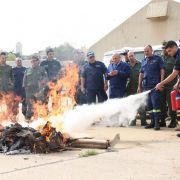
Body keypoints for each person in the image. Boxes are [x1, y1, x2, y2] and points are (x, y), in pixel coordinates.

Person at [137, 45, 165, 130]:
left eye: (147, 51)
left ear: (152, 50)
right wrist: (139, 86)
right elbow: (141, 74)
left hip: (155, 86)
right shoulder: (143, 61)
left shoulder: (158, 59)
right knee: (149, 106)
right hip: (146, 87)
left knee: (155, 105)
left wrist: (161, 83)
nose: (146, 53)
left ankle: (157, 123)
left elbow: (162, 70)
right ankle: (152, 122)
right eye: (145, 51)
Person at [156, 41, 180, 133]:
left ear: (175, 47)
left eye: (170, 51)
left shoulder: (178, 58)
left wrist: (161, 83)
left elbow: (174, 74)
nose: (169, 53)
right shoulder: (176, 56)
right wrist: (178, 82)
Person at [23, 56, 48, 120]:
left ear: (38, 61)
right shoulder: (27, 70)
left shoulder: (42, 69)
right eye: (32, 61)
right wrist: (26, 89)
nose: (33, 62)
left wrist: (42, 89)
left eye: (35, 60)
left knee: (39, 105)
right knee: (30, 106)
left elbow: (46, 79)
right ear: (31, 62)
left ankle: (39, 121)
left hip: (38, 91)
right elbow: (25, 80)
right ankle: (28, 120)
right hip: (29, 91)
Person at [126, 51, 147, 126]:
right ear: (128, 57)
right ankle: (133, 121)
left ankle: (143, 121)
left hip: (139, 88)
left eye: (132, 56)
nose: (131, 57)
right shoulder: (126, 65)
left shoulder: (140, 64)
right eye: (129, 56)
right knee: (131, 106)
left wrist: (141, 86)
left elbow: (144, 74)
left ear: (134, 55)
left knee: (141, 105)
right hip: (129, 89)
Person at [160, 43, 177, 128]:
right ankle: (162, 121)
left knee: (171, 105)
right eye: (163, 48)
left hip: (171, 85)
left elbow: (176, 72)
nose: (164, 50)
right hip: (163, 86)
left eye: (165, 48)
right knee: (162, 104)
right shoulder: (161, 58)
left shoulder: (174, 58)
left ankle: (173, 121)